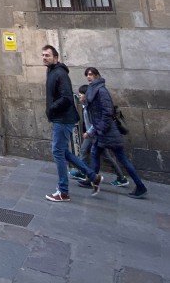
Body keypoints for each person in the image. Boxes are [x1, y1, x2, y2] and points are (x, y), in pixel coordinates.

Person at [42, 45, 102, 202]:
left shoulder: (60, 74)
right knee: (63, 151)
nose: (44, 57)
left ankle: (63, 191)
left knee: (57, 152)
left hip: (63, 118)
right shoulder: (51, 71)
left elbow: (67, 97)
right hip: (60, 118)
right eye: (43, 55)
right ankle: (93, 176)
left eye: (47, 55)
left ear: (55, 57)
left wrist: (51, 109)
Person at [84, 66, 147, 199]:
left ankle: (140, 186)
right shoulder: (93, 90)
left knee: (122, 158)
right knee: (95, 153)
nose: (89, 77)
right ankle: (92, 180)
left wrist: (99, 129)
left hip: (107, 132)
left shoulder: (101, 91)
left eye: (91, 74)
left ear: (97, 75)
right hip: (101, 132)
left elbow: (107, 112)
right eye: (87, 75)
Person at [71, 84, 128, 187]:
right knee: (84, 151)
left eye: (81, 95)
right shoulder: (85, 106)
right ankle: (84, 172)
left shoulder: (91, 107)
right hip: (92, 134)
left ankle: (121, 177)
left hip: (95, 135)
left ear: (86, 95)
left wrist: (89, 132)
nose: (79, 96)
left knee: (106, 157)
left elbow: (95, 123)